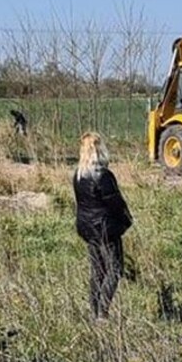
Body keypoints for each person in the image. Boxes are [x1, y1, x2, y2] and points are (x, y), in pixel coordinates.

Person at [72, 133, 133, 320]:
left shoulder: (78, 175)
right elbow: (115, 203)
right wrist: (126, 221)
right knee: (115, 269)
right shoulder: (103, 175)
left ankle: (94, 313)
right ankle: (102, 314)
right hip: (106, 229)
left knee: (97, 271)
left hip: (87, 228)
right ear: (100, 149)